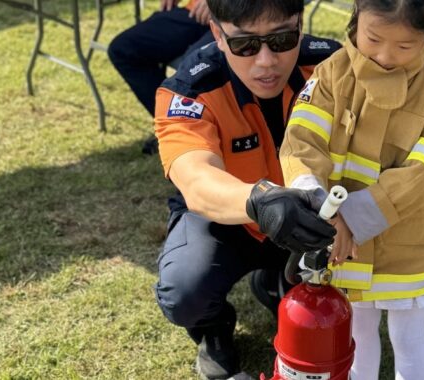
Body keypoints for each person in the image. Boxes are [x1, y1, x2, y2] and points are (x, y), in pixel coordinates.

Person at [279, 1, 424, 379]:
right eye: (373, 38)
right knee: (356, 331)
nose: (385, 55)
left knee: (409, 335)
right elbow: (303, 142)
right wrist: (315, 200)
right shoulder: (333, 73)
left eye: (405, 46)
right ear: (356, 16)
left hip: (413, 246)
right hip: (343, 241)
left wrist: (351, 216)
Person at [152, 0, 342, 378]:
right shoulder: (189, 89)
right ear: (217, 35)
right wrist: (260, 201)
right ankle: (214, 327)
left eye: (283, 38)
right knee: (185, 293)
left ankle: (277, 284)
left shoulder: (334, 67)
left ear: (301, 26)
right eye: (245, 45)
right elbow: (197, 180)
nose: (266, 61)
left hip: (310, 216)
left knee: (345, 309)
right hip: (228, 220)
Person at [108, 0, 214, 154]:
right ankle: (175, 128)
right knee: (124, 49)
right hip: (196, 9)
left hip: (239, 14)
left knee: (194, 64)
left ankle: (201, 135)